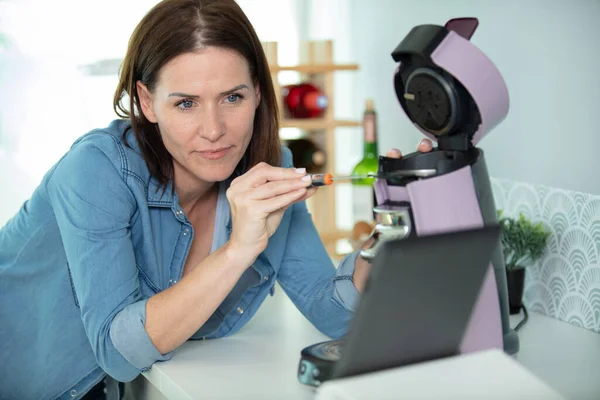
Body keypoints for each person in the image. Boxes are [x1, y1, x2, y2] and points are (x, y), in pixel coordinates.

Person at [0, 0, 434, 399]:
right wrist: (239, 249)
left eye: (232, 97)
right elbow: (117, 350)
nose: (213, 129)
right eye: (186, 103)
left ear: (259, 93)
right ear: (148, 102)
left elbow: (333, 312)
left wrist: (386, 234)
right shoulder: (95, 170)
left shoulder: (267, 170)